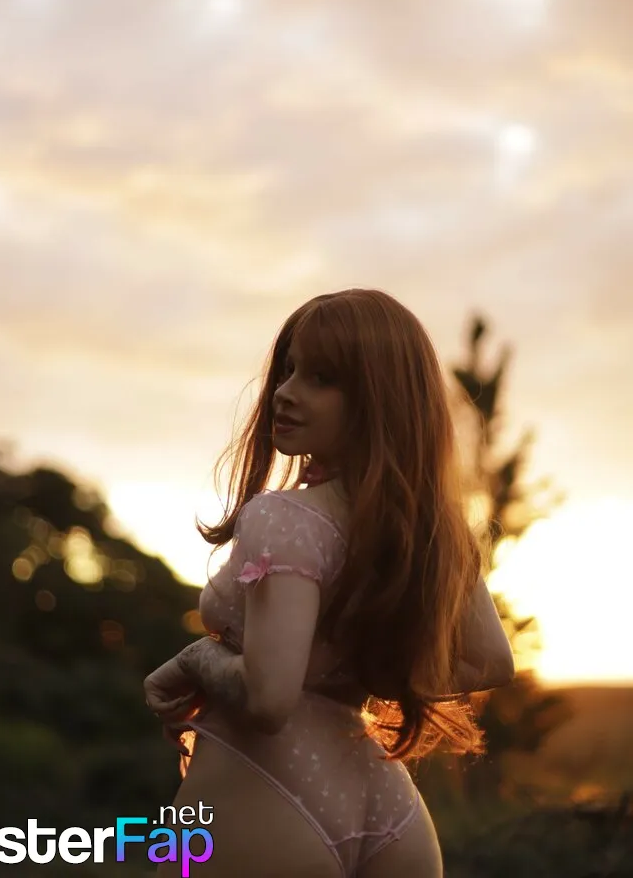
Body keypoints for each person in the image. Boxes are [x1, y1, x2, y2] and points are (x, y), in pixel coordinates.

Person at [144, 288, 515, 878]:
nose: (285, 392)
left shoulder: (282, 517)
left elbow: (269, 698)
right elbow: (489, 660)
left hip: (265, 791)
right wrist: (378, 669)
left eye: (321, 378)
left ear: (379, 399)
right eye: (289, 370)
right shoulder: (432, 531)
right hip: (391, 814)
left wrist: (195, 660)